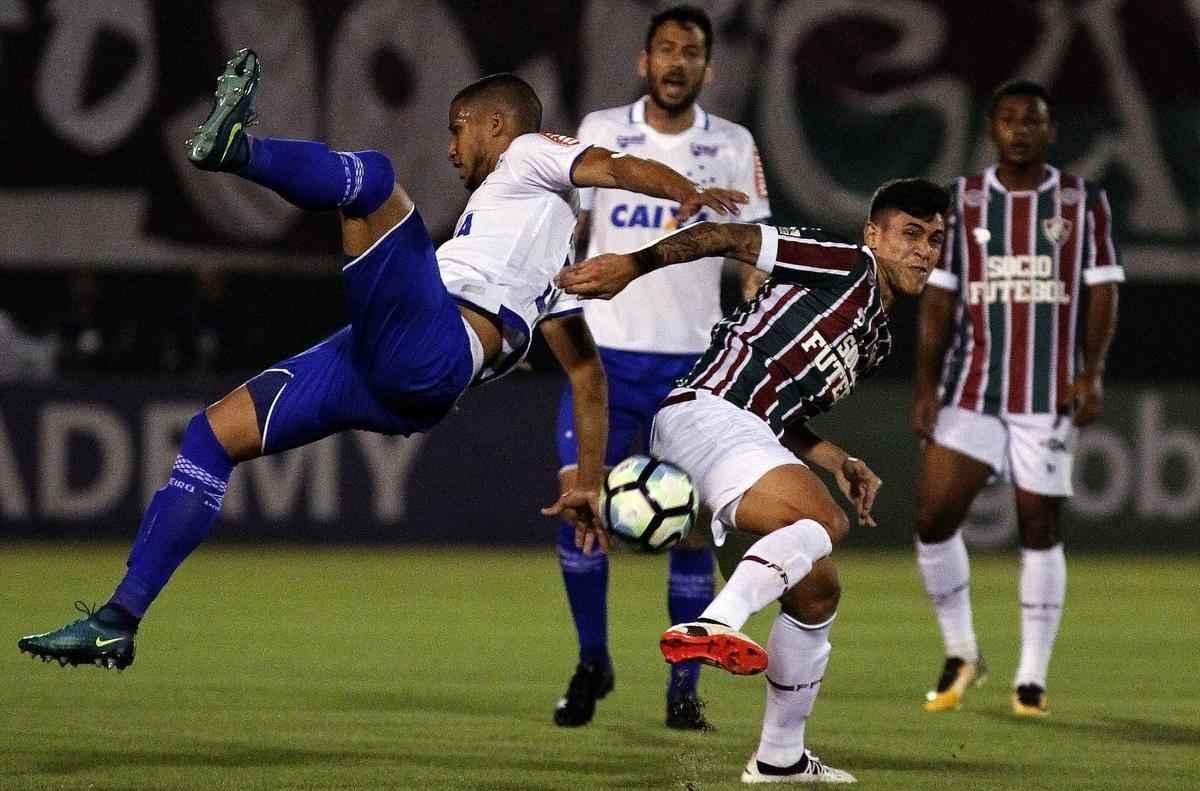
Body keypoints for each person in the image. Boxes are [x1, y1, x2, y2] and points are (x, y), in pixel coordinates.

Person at [16, 49, 746, 671]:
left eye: (458, 128)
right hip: (392, 369)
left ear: (498, 124)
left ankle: (234, 150)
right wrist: (586, 481)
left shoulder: (528, 154)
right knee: (213, 434)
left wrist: (685, 191)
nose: (452, 148)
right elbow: (587, 376)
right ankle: (119, 617)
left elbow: (612, 165)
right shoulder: (542, 265)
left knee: (371, 176)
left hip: (432, 348)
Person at [559, 178, 950, 784]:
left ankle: (780, 758)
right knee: (823, 521)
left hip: (738, 436)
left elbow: (782, 410)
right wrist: (632, 267)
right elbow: (723, 236)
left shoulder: (875, 338)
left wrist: (836, 458)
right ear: (873, 235)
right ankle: (719, 620)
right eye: (910, 234)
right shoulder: (844, 262)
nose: (923, 250)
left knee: (816, 593)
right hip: (708, 413)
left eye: (935, 240)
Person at [552, 4, 772, 731]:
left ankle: (683, 690)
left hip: (694, 366)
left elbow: (754, 248)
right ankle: (593, 660)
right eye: (667, 50)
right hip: (603, 360)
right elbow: (571, 225)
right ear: (643, 62)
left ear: (708, 67)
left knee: (692, 528)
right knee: (580, 507)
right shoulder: (601, 131)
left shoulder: (733, 144)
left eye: (691, 52)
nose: (678, 62)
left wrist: (755, 309)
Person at [911, 80, 1122, 717]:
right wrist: (926, 386)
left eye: (1033, 119)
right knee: (932, 520)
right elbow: (939, 298)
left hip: (1046, 394)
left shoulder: (1081, 201)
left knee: (1039, 526)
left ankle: (1031, 677)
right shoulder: (963, 201)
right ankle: (962, 651)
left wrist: (1092, 373)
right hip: (972, 389)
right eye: (1009, 119)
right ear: (993, 129)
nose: (1021, 129)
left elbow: (1102, 289)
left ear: (1051, 129)